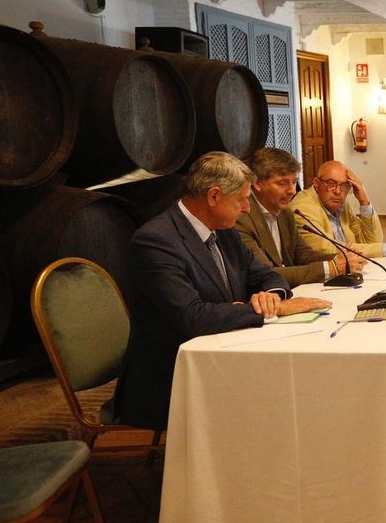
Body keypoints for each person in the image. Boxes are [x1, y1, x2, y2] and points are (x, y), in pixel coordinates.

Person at [114, 152, 331, 431]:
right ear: (214, 196)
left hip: (224, 354)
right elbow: (193, 317)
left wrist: (272, 296)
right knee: (279, 398)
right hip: (170, 377)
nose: (246, 209)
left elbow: (265, 275)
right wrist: (263, 310)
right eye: (241, 200)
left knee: (297, 386)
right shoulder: (156, 242)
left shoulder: (223, 230)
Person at [235, 148, 363, 287]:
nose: (292, 190)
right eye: (282, 183)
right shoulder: (242, 217)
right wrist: (331, 268)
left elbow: (304, 255)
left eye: (294, 182)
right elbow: (266, 274)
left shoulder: (285, 212)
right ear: (257, 183)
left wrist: (343, 258)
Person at [289, 160, 386, 258]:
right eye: (331, 183)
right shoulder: (302, 209)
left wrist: (364, 201)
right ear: (316, 184)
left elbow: (372, 241)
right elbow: (330, 249)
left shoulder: (341, 205)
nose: (338, 191)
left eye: (345, 185)